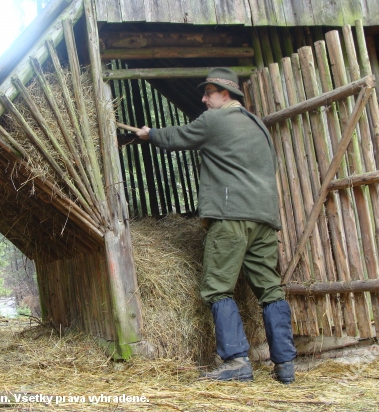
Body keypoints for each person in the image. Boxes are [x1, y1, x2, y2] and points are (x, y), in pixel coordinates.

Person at [136, 67, 297, 384]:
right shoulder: (259, 127)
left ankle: (236, 361)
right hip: (264, 220)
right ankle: (286, 365)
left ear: (226, 95)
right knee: (270, 290)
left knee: (217, 286)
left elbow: (179, 137)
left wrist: (150, 134)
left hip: (231, 216)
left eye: (208, 93)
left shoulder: (215, 120)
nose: (203, 99)